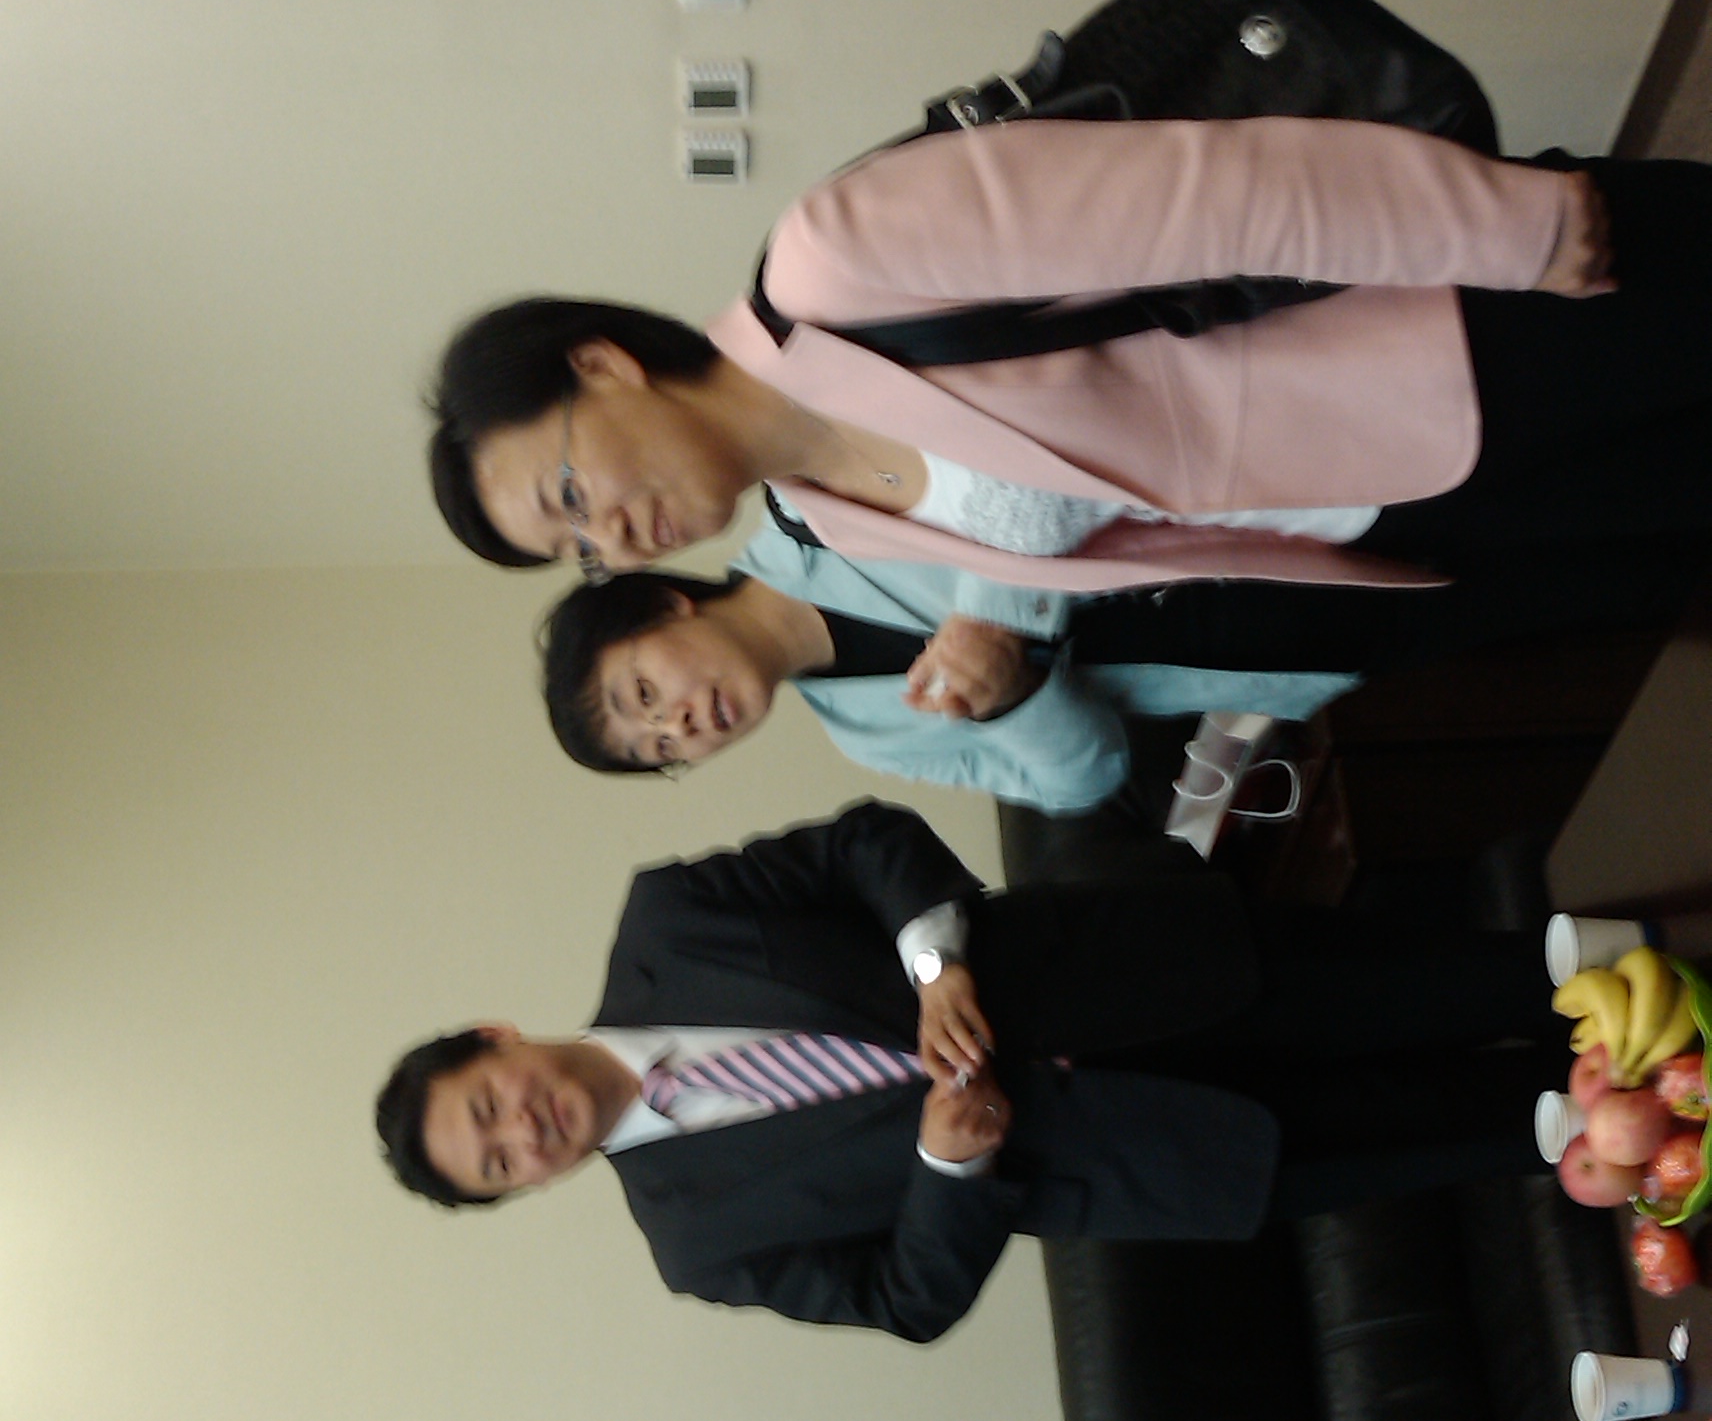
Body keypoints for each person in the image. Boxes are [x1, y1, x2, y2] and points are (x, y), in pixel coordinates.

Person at [425, 123, 1712, 672]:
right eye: (577, 551)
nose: (611, 538)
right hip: (1417, 504)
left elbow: (1217, 192)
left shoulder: (834, 259)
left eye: (570, 492)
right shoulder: (831, 519)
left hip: (1463, 328)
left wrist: (1507, 227)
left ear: (601, 365)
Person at [373, 798, 1560, 1343]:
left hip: (1146, 969)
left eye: (489, 1106)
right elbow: (905, 1300)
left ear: (494, 1037)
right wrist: (948, 1166)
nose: (523, 1132)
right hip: (1166, 1159)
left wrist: (934, 963)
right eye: (499, 1164)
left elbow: (863, 844)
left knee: (1490, 978)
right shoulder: (700, 1248)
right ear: (525, 1188)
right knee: (1506, 1126)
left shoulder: (668, 920)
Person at [540, 506, 1357, 811]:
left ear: (663, 604)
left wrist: (999, 622)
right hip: (1286, 660)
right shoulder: (871, 739)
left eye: (644, 693)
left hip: (1256, 519)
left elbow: (1012, 486)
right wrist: (1014, 700)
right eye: (663, 747)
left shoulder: (811, 513)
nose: (681, 725)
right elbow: (1087, 780)